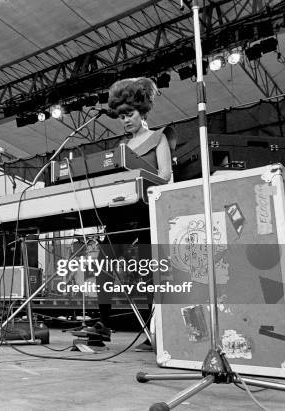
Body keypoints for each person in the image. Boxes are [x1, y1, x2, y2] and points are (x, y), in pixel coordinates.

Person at [95, 77, 174, 351]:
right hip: (119, 214)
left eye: (130, 115)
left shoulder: (159, 138)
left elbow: (166, 177)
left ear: (143, 113)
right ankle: (101, 328)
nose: (125, 121)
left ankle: (154, 335)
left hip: (147, 213)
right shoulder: (120, 147)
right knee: (103, 268)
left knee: (150, 273)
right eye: (121, 116)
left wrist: (141, 176)